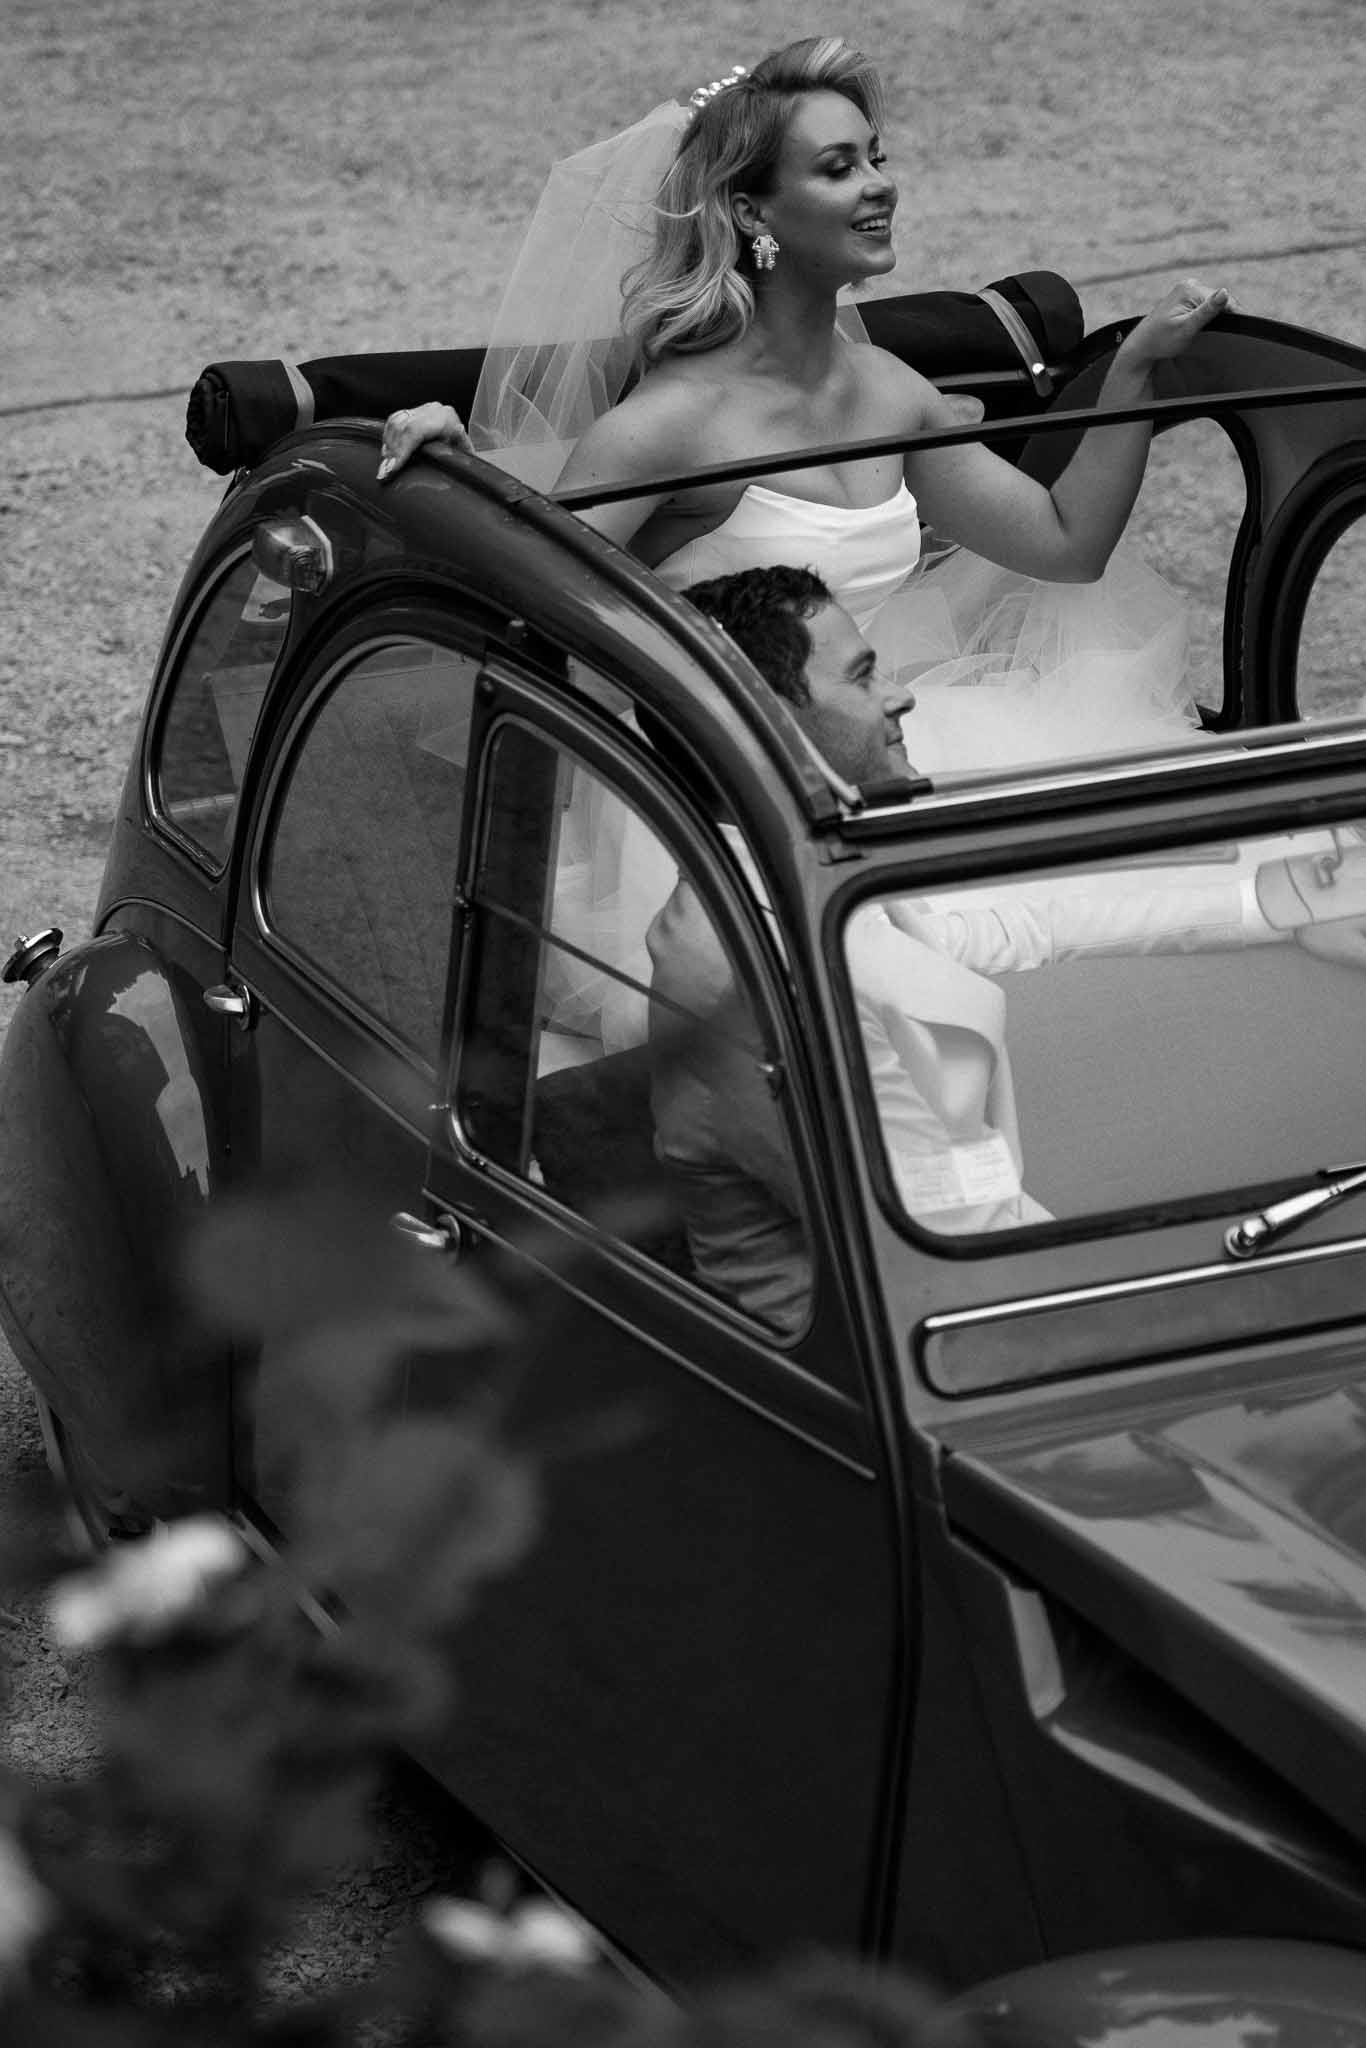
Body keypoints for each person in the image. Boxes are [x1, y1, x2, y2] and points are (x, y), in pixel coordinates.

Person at [377, 35, 1230, 775]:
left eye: (876, 159)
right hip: (728, 791)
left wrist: (1133, 371)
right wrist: (461, 475)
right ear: (751, 211)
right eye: (837, 168)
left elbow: (1063, 544)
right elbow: (523, 605)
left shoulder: (889, 387)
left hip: (891, 737)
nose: (879, 186)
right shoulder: (664, 427)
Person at [644, 564, 1351, 1323]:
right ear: (767, 731)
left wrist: (1275, 899)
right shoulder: (762, 972)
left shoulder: (800, 866)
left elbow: (1019, 927)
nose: (901, 695)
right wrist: (1244, 1305)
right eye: (862, 678)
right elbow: (958, 1253)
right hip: (894, 1354)